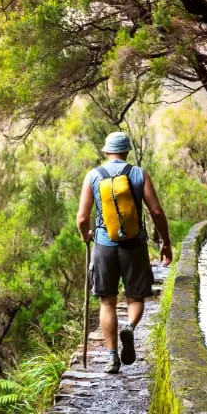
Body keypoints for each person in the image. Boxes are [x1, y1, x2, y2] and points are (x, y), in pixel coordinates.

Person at [76, 131, 172, 374]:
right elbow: (157, 212)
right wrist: (165, 242)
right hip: (134, 244)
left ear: (106, 151)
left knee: (107, 301)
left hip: (103, 246)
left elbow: (82, 218)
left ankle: (112, 358)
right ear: (127, 151)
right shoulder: (139, 174)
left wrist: (86, 235)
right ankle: (129, 326)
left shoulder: (93, 176)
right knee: (135, 297)